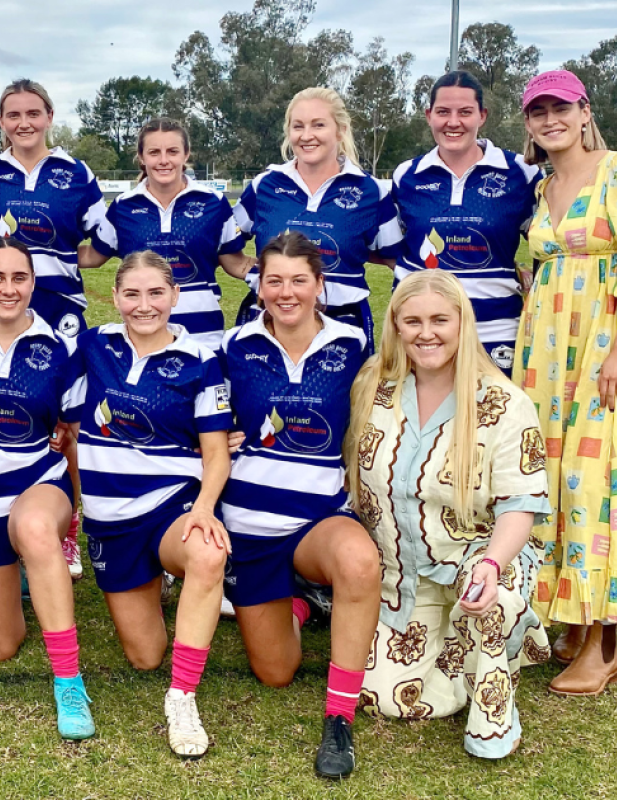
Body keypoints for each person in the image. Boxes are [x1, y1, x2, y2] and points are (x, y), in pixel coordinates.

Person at [347, 269, 550, 758]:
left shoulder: (504, 402)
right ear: (395, 324)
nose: (426, 333)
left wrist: (491, 564)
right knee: (388, 699)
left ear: (463, 322)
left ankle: (496, 680)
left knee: (491, 598)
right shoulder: (374, 387)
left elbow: (520, 505)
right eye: (411, 321)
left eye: (440, 319)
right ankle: (464, 644)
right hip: (404, 572)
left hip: (478, 558)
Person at [218, 232, 381, 779]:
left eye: (298, 281)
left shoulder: (353, 344)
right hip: (250, 527)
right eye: (274, 281)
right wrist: (206, 441)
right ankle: (303, 603)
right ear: (258, 285)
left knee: (359, 563)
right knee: (276, 673)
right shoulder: (231, 346)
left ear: (320, 285)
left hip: (319, 518)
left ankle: (340, 719)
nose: (286, 292)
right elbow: (190, 414)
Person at [73, 250, 232, 757]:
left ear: (175, 295)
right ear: (115, 296)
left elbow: (216, 454)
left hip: (171, 506)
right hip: (109, 520)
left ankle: (183, 696)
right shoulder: (91, 344)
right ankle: (163, 584)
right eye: (133, 294)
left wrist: (204, 509)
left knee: (206, 553)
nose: (145, 306)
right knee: (144, 655)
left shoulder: (203, 362)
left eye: (156, 293)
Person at [0, 237, 93, 739]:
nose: (9, 289)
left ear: (33, 282)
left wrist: (72, 518)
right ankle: (27, 573)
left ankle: (68, 681)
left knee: (33, 526)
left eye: (19, 278)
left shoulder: (59, 349)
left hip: (37, 483)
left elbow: (70, 432)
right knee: (3, 644)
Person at [0, 79, 105, 577]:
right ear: (2, 122)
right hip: (2, 306)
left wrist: (68, 262)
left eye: (33, 113)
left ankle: (64, 533)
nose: (23, 123)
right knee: (3, 402)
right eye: (13, 115)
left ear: (49, 116)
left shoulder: (75, 172)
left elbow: (102, 242)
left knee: (66, 420)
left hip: (59, 305)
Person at [514, 69, 617, 694]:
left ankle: (607, 643)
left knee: (595, 481)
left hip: (600, 345)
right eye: (537, 112)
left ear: (584, 112)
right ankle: (575, 620)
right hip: (545, 352)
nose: (550, 120)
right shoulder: (546, 186)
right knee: (552, 476)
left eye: (561, 108)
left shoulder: (614, 171)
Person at [231, 87, 403, 353]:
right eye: (298, 126)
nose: (306, 135)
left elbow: (397, 260)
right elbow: (224, 244)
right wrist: (258, 274)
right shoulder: (264, 185)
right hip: (272, 322)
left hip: (344, 325)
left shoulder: (372, 192)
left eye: (318, 125)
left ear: (341, 129)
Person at [392, 71, 541, 375]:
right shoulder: (406, 175)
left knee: (492, 418)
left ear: (482, 116)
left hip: (495, 329)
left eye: (465, 112)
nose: (453, 122)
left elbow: (547, 246)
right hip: (421, 333)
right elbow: (389, 248)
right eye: (443, 112)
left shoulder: (520, 173)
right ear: (428, 115)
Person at [80, 117, 246, 349]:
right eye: (154, 152)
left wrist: (287, 268)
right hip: (143, 335)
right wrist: (35, 256)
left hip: (204, 337)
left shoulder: (214, 203)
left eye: (172, 151)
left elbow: (235, 262)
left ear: (186, 154)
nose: (164, 160)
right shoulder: (122, 207)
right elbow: (94, 256)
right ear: (142, 156)